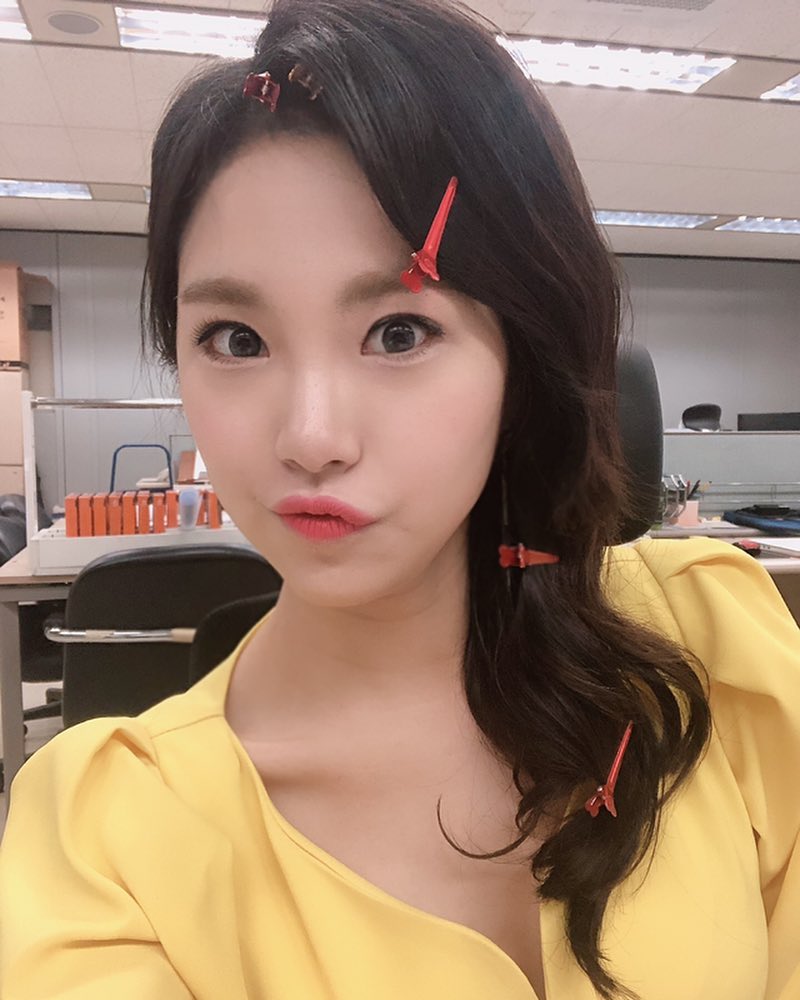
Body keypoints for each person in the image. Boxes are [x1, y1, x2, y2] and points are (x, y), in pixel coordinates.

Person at [1, 0, 799, 997]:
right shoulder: (104, 841)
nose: (311, 438)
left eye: (398, 333)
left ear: (522, 355)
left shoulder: (712, 644)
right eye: (236, 341)